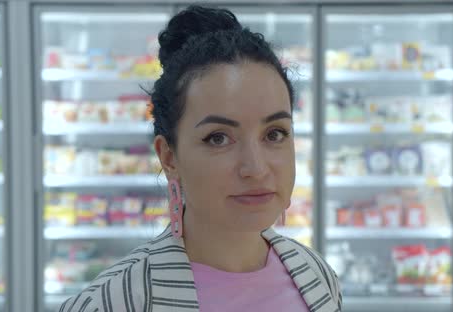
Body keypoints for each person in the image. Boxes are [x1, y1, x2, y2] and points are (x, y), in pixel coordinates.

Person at [59, 5, 342, 312]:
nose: (256, 169)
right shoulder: (109, 301)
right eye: (218, 138)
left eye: (274, 134)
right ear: (169, 157)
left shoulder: (316, 276)